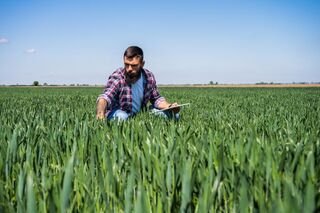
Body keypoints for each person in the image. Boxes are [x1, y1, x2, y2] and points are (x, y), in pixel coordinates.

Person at [96, 46, 180, 121]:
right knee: (122, 117)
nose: (129, 69)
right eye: (126, 64)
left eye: (134, 65)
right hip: (120, 112)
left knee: (174, 115)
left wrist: (169, 106)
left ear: (142, 64)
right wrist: (100, 114)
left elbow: (156, 99)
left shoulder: (148, 77)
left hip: (141, 114)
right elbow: (105, 97)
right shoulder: (118, 76)